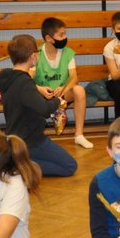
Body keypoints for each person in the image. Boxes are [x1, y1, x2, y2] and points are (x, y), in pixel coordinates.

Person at [0, 34, 77, 178]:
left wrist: (38, 89)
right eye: (37, 52)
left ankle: (18, 159)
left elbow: (25, 95)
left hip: (15, 138)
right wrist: (58, 101)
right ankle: (19, 165)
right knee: (70, 166)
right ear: (33, 56)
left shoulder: (8, 77)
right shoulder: (24, 82)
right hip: (30, 140)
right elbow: (44, 110)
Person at [34, 16, 93, 149]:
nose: (65, 37)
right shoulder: (37, 54)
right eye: (61, 35)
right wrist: (40, 89)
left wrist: (62, 91)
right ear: (49, 38)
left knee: (79, 90)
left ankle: (79, 135)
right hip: (43, 94)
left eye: (65, 33)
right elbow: (27, 78)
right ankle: (33, 135)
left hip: (63, 92)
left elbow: (74, 78)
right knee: (28, 92)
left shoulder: (67, 53)